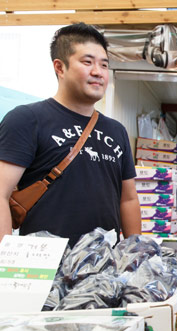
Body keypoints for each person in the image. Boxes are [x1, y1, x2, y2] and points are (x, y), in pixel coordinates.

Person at [0, 23, 141, 246]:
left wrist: (136, 255)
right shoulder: (27, 119)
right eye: (87, 62)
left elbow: (128, 199)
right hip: (45, 267)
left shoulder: (116, 131)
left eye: (104, 65)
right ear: (60, 67)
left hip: (104, 268)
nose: (98, 71)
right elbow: (1, 194)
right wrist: (6, 263)